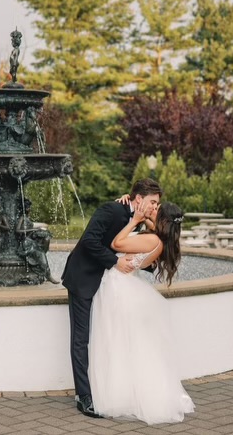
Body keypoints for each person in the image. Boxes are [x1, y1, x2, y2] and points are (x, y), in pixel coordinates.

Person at [61, 178, 162, 418]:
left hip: (109, 286)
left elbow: (132, 247)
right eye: (152, 202)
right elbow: (89, 241)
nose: (154, 207)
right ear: (138, 199)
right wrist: (115, 262)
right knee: (81, 338)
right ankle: (83, 396)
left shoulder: (139, 220)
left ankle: (107, 388)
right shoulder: (110, 209)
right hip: (84, 278)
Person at [88, 201, 195, 425]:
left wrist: (135, 221)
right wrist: (145, 217)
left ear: (163, 220)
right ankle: (131, 391)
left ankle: (119, 394)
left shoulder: (152, 239)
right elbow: (152, 231)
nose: (152, 211)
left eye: (157, 210)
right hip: (128, 286)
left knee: (115, 340)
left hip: (118, 287)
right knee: (129, 343)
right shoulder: (161, 240)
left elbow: (117, 243)